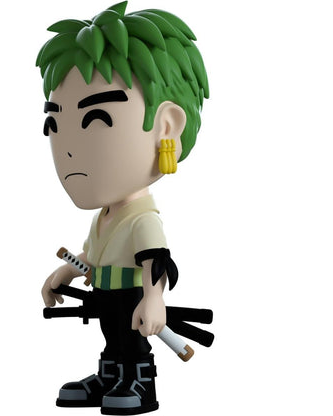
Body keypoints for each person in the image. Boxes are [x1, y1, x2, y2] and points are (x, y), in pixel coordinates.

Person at [37, 2, 209, 414]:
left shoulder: (143, 217)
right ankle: (111, 375)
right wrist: (67, 271)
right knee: (113, 340)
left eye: (96, 120)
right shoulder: (104, 216)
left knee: (131, 343)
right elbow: (92, 257)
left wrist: (153, 300)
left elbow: (156, 260)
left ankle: (139, 380)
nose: (68, 150)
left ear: (166, 127)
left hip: (131, 295)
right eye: (54, 125)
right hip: (105, 296)